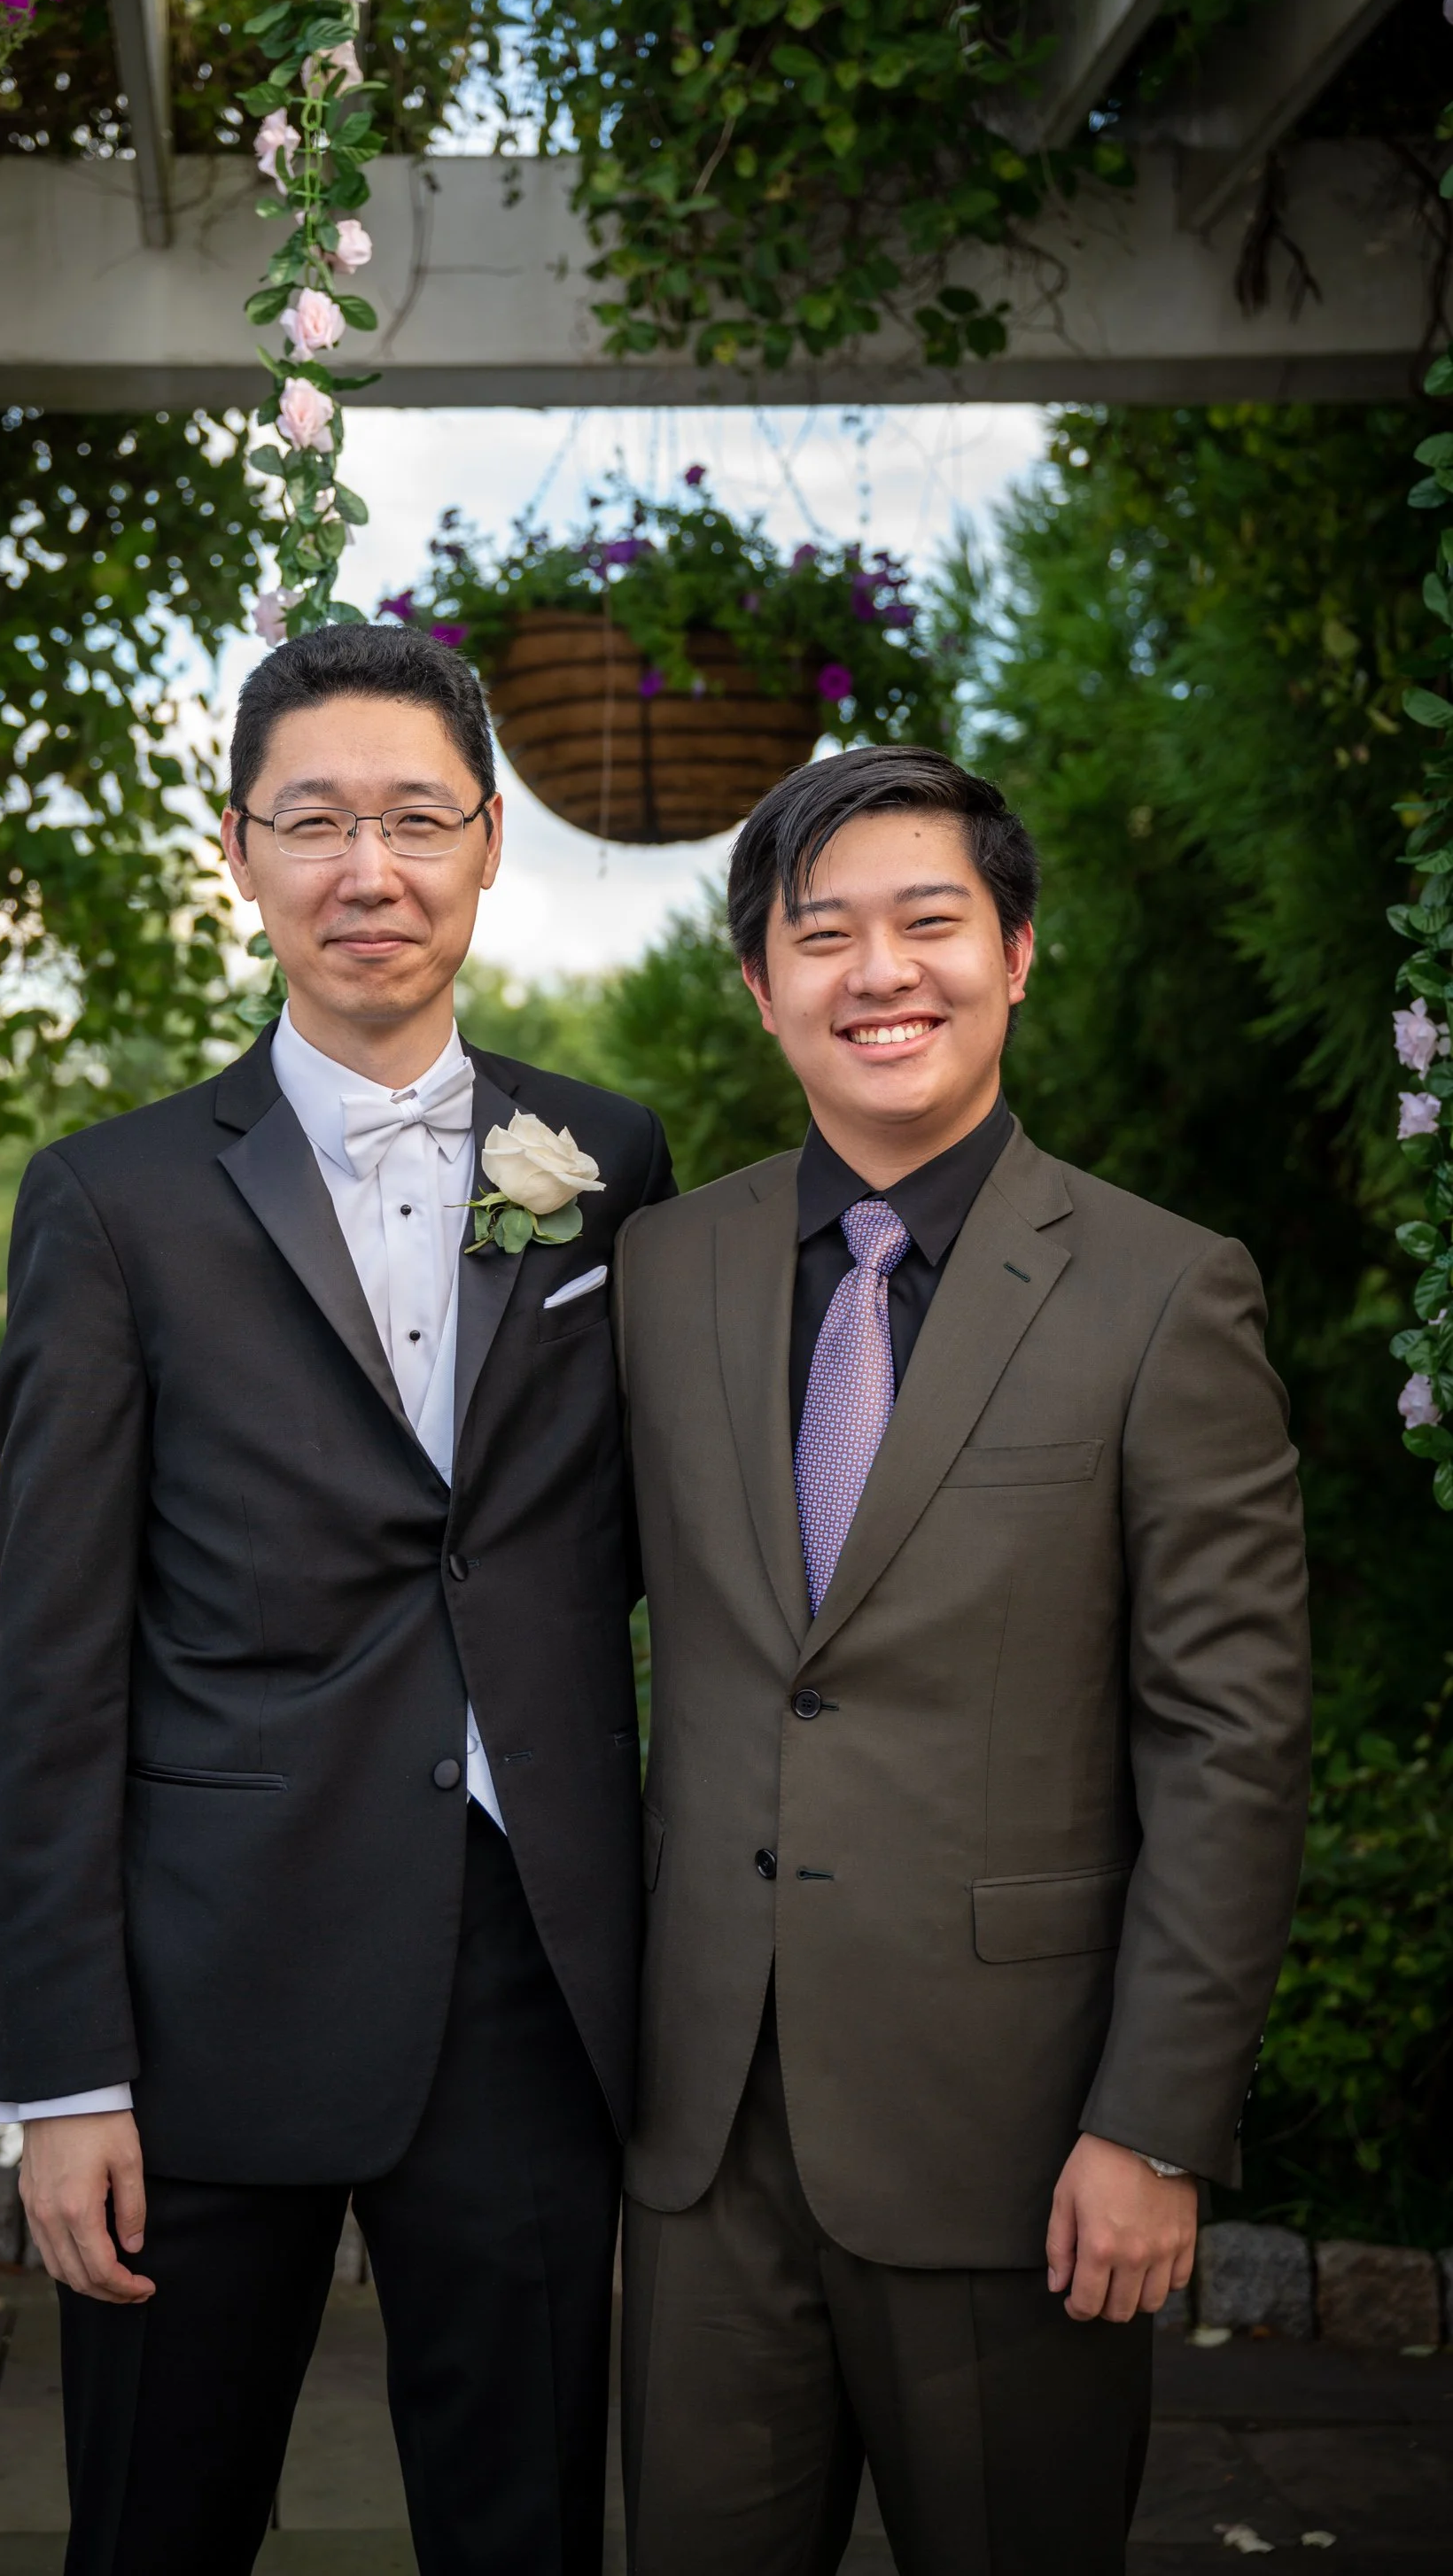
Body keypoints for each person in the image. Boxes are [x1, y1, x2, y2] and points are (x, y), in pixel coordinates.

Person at [0, 624, 672, 2576]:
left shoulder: (607, 1161)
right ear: (239, 852)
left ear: (488, 844)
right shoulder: (111, 1200)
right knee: (158, 2525)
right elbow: (56, 1671)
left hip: (529, 1976)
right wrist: (64, 2075)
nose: (369, 870)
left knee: (526, 2527)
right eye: (313, 822)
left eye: (415, 820)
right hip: (206, 1994)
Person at [612, 745, 1311, 2576]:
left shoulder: (1163, 1291)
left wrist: (1154, 2128)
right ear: (759, 985)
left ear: (1014, 952)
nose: (879, 973)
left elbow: (1229, 1739)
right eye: (820, 933)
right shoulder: (660, 1272)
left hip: (1019, 2142)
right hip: (702, 2143)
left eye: (928, 922)